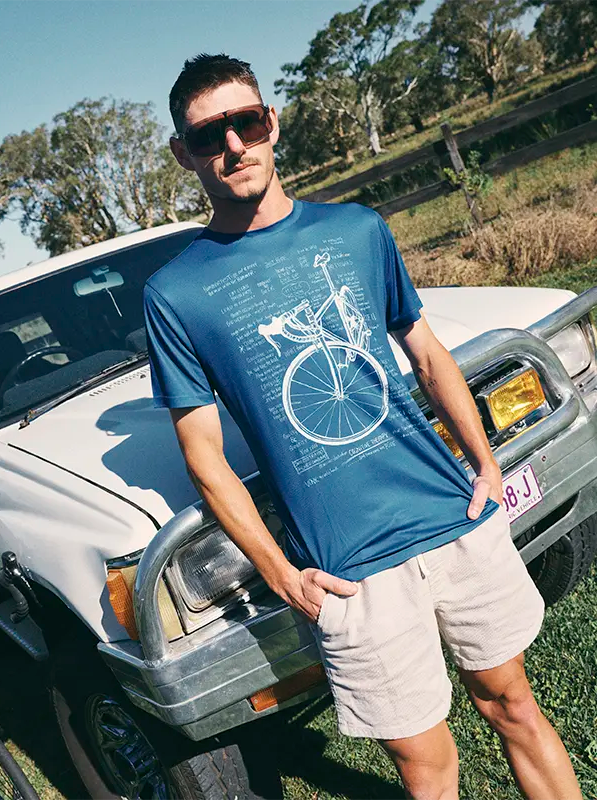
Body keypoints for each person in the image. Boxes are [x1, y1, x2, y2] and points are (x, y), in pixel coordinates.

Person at [143, 52, 582, 800]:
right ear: (185, 154)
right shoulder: (174, 293)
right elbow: (203, 457)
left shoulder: (356, 230)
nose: (234, 147)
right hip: (350, 575)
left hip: (452, 517)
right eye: (209, 135)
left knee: (512, 703)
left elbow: (425, 348)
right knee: (426, 766)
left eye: (246, 122)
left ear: (271, 123)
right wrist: (283, 578)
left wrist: (484, 462)